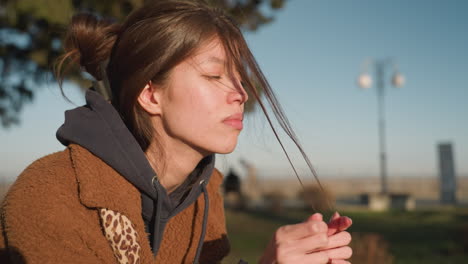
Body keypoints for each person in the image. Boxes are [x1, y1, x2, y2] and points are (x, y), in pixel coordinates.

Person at [0, 1, 352, 263]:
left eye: (240, 79)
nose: (242, 94)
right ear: (151, 94)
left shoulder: (202, 194)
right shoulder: (52, 195)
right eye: (214, 76)